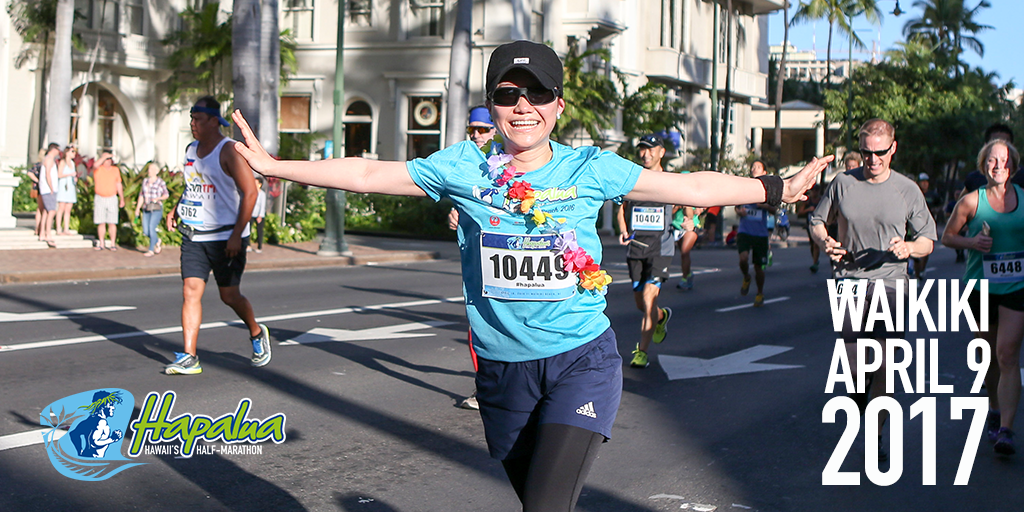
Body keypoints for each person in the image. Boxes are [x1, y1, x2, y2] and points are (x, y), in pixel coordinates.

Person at [229, 41, 830, 511]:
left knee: (543, 507)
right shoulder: (463, 167)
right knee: (540, 501)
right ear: (493, 106)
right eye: (509, 93)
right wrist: (276, 166)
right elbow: (368, 174)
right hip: (501, 369)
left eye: (538, 93)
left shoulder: (590, 168)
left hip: (580, 360)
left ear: (558, 105)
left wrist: (776, 188)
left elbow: (691, 187)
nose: (523, 106)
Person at [810, 118, 936, 461]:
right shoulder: (843, 183)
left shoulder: (907, 189)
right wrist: (825, 241)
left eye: (880, 152)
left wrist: (910, 248)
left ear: (893, 148)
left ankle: (875, 434)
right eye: (867, 152)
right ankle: (858, 398)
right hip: (850, 282)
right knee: (855, 367)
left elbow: (928, 240)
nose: (873, 159)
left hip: (892, 284)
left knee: (885, 364)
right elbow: (817, 221)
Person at [163, 96, 271, 375]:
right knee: (190, 291)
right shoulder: (190, 149)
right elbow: (192, 185)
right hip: (194, 235)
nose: (192, 124)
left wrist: (236, 235)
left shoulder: (229, 151)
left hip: (226, 237)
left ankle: (257, 332)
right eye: (191, 119)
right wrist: (177, 208)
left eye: (198, 119)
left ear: (214, 121)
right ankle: (190, 356)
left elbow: (250, 192)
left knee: (229, 295)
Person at [941, 139, 1024, 456]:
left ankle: (1006, 429)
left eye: (1004, 160)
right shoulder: (971, 202)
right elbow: (948, 237)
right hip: (980, 288)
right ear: (983, 165)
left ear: (1013, 165)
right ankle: (994, 406)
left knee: (1008, 354)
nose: (998, 166)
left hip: (1017, 287)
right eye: (992, 160)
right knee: (989, 357)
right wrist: (972, 242)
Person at [448, 105, 499, 410]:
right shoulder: (466, 160)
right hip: (478, 255)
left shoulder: (512, 158)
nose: (477, 135)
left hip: (511, 252)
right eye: (472, 129)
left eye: (483, 129)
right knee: (478, 322)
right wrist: (456, 214)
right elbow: (463, 198)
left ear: (495, 129)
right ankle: (485, 388)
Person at [616, 134, 676, 368]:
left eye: (651, 149)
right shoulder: (633, 180)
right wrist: (623, 230)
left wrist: (689, 220)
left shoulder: (670, 181)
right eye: (642, 149)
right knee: (641, 304)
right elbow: (622, 209)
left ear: (661, 152)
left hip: (661, 249)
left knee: (649, 299)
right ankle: (661, 317)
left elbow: (688, 202)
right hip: (636, 248)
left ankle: (641, 352)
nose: (646, 154)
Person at [735, 160, 775, 307]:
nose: (754, 169)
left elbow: (774, 209)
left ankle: (759, 293)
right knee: (743, 259)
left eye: (758, 167)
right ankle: (746, 277)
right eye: (753, 167)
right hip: (745, 230)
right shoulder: (745, 187)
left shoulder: (767, 190)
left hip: (760, 233)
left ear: (764, 172)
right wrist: (740, 211)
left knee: (759, 268)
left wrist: (763, 205)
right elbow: (737, 206)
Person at [68, 390, 124, 458]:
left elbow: (74, 434)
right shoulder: (101, 422)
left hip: (87, 455)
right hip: (95, 457)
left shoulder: (90, 420)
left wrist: (80, 451)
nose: (113, 408)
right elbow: (94, 443)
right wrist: (112, 439)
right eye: (111, 405)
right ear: (103, 406)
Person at [134, 162, 169, 257]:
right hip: (146, 208)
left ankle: (151, 250)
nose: (149, 171)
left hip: (156, 208)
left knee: (151, 227)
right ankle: (157, 240)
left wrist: (158, 198)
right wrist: (138, 208)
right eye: (149, 169)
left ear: (156, 171)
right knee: (146, 230)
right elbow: (141, 195)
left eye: (152, 169)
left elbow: (166, 195)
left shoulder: (160, 182)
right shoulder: (145, 181)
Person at [92, 153, 125, 250]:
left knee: (112, 222)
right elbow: (95, 165)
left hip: (112, 198)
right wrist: (104, 157)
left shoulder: (115, 170)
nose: (108, 160)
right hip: (100, 198)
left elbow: (118, 184)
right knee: (101, 222)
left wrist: (122, 198)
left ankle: (112, 243)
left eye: (110, 159)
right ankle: (101, 243)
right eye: (106, 159)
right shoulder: (98, 169)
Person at [911, 172, 939, 278]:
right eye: (922, 182)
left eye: (926, 182)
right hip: (914, 225)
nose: (924, 184)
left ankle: (922, 269)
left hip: (928, 225)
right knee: (915, 250)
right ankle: (916, 272)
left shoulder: (932, 195)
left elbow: (939, 205)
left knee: (926, 248)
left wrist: (936, 210)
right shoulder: (914, 194)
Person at [38, 143, 60, 246]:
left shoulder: (48, 159)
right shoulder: (49, 159)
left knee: (46, 212)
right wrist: (51, 187)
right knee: (51, 211)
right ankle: (48, 233)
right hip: (48, 189)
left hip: (47, 189)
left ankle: (42, 233)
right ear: (53, 149)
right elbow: (48, 174)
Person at [673, 205, 700, 290]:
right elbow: (670, 212)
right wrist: (677, 207)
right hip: (677, 226)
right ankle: (688, 273)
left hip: (691, 228)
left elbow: (698, 210)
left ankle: (685, 278)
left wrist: (696, 211)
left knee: (684, 252)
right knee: (683, 254)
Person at [796, 185, 821, 272]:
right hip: (809, 224)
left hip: (819, 225)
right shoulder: (807, 201)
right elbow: (800, 213)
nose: (815, 193)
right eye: (813, 191)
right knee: (812, 244)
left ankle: (815, 262)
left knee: (816, 244)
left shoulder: (821, 201)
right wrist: (808, 209)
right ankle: (815, 259)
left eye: (816, 191)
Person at [55, 146, 78, 236]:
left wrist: (74, 178)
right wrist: (70, 174)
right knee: (61, 208)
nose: (74, 153)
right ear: (67, 152)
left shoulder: (72, 163)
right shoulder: (63, 162)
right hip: (63, 186)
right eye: (72, 151)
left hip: (70, 187)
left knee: (68, 209)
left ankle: (66, 228)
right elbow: (59, 174)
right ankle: (58, 228)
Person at [250, 178, 267, 253]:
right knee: (248, 229)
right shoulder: (252, 192)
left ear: (260, 184)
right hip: (251, 213)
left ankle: (259, 246)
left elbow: (262, 205)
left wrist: (260, 215)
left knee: (259, 231)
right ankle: (248, 245)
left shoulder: (262, 194)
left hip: (259, 215)